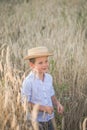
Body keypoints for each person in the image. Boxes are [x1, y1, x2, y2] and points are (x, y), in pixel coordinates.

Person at [21, 46, 64, 130]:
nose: (45, 65)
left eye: (46, 61)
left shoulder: (49, 77)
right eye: (40, 63)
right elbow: (25, 103)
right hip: (35, 121)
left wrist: (57, 104)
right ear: (32, 65)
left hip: (50, 119)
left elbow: (51, 94)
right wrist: (43, 108)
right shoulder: (28, 81)